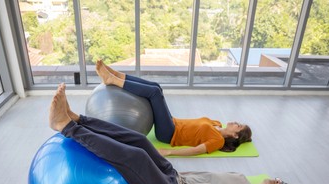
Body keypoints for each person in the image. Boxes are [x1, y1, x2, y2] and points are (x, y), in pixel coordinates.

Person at [49, 83, 297, 184]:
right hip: (176, 179)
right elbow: (205, 179)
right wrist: (167, 168)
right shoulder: (242, 178)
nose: (277, 180)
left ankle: (66, 127)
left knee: (136, 158)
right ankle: (78, 118)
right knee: (139, 141)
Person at [95, 60, 252, 157]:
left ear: (236, 135)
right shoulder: (216, 123)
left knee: (155, 92)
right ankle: (115, 74)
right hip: (172, 122)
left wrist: (168, 152)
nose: (235, 122)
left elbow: (196, 150)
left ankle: (113, 80)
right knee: (157, 87)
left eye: (238, 125)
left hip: (169, 134)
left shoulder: (217, 141)